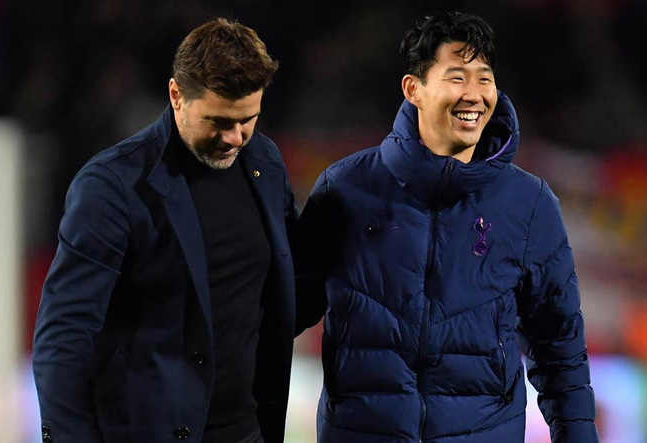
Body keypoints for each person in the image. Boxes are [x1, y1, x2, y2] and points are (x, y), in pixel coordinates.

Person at [294, 11, 599, 443]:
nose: (473, 95)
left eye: (484, 79)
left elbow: (560, 349)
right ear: (413, 89)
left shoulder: (529, 204)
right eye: (457, 78)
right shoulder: (345, 189)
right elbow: (282, 311)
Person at [33, 18, 298, 443]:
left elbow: (288, 284)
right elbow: (64, 336)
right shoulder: (112, 187)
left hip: (246, 431)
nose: (235, 137)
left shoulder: (264, 161)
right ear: (176, 95)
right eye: (218, 121)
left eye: (248, 119)